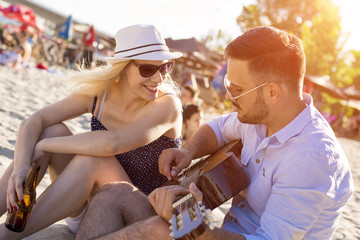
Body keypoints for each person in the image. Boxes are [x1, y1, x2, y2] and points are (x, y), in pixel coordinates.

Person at [76, 26, 354, 240]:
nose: (228, 95)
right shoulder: (261, 116)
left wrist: (192, 222)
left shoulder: (312, 159)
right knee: (115, 193)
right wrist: (188, 152)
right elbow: (218, 128)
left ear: (272, 92)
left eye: (237, 89)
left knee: (160, 230)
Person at [0, 24, 183, 239]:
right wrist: (21, 167)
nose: (158, 79)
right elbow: (33, 120)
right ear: (123, 67)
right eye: (147, 69)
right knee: (52, 130)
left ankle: (6, 235)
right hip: (85, 205)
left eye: (164, 67)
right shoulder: (100, 95)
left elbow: (111, 144)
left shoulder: (167, 105)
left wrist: (44, 146)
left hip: (132, 216)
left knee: (94, 160)